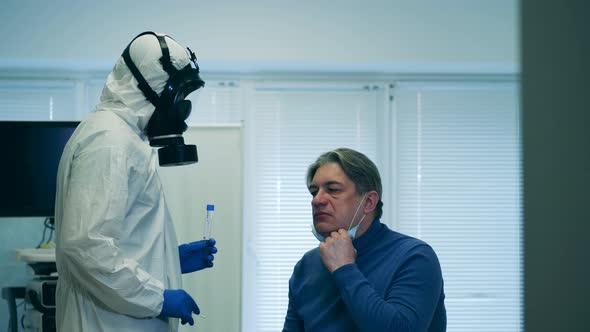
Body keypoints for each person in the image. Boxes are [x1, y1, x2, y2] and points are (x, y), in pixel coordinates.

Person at [54, 31, 217, 331]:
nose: (181, 111)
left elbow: (119, 240)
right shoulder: (110, 140)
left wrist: (171, 259)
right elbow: (87, 247)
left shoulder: (122, 137)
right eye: (178, 97)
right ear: (153, 88)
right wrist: (159, 298)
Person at [282, 148, 446, 332]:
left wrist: (344, 269)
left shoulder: (415, 257)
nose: (317, 200)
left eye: (333, 190)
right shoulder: (306, 266)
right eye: (314, 192)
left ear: (368, 202)